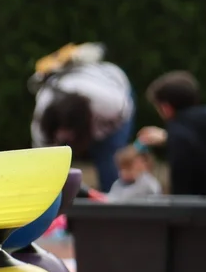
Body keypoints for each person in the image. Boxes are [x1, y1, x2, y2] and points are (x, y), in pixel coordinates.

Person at [30, 42, 135, 192]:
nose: (65, 136)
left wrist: (97, 136)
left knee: (109, 158)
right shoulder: (44, 107)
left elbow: (124, 114)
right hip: (84, 104)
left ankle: (113, 198)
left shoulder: (108, 102)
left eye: (70, 130)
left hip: (114, 85)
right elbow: (42, 154)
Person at [137, 71, 206, 195]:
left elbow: (182, 188)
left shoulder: (178, 134)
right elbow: (203, 144)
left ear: (166, 108)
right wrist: (167, 137)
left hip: (200, 204)